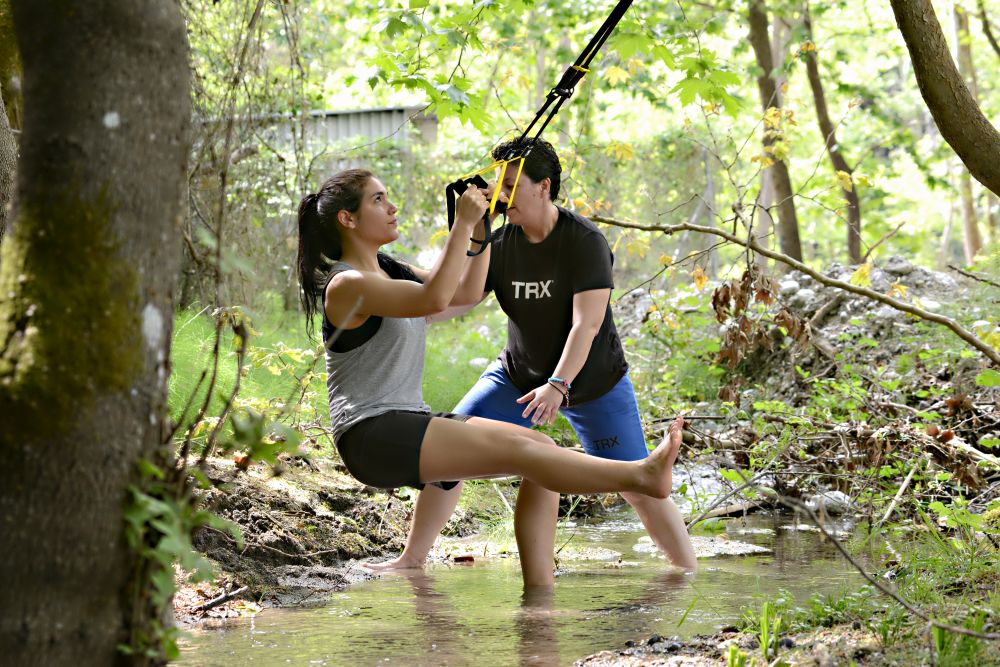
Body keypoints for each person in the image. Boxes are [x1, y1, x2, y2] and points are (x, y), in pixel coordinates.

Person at [297, 167, 686, 587]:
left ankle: (539, 597)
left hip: (404, 423)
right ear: (348, 219)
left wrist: (479, 230)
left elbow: (465, 293)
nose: (392, 207)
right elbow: (435, 297)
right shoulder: (346, 285)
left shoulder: (390, 271)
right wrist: (462, 224)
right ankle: (638, 475)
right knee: (527, 453)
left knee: (541, 449)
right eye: (378, 200)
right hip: (371, 433)